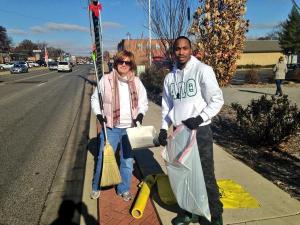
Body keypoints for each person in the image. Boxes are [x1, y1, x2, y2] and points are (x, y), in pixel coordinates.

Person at [158, 36, 224, 225]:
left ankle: (214, 215)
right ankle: (190, 211)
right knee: (184, 175)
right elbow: (166, 107)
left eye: (185, 48)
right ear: (173, 52)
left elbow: (217, 100)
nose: (181, 52)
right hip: (180, 132)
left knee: (205, 175)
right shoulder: (170, 78)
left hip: (199, 132)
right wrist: (164, 128)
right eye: (177, 49)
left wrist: (200, 118)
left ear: (191, 49)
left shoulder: (203, 70)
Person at [90, 50, 148, 201]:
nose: (123, 64)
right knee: (103, 157)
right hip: (111, 128)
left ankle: (124, 188)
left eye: (127, 62)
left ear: (131, 65)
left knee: (127, 161)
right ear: (116, 63)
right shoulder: (106, 80)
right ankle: (96, 186)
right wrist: (98, 114)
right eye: (121, 61)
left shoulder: (136, 81)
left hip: (130, 128)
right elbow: (95, 99)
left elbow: (143, 102)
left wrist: (140, 114)